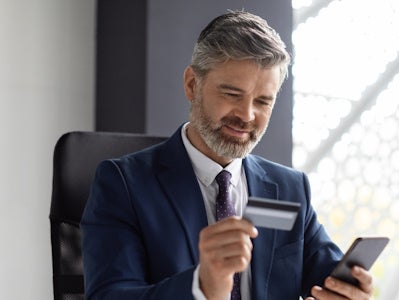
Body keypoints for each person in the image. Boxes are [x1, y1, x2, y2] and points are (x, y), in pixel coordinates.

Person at [81, 10, 374, 300]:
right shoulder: (124, 184)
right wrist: (203, 286)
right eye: (232, 95)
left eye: (262, 101)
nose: (246, 115)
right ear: (192, 85)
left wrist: (350, 291)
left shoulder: (289, 190)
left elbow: (327, 279)